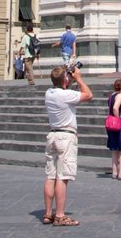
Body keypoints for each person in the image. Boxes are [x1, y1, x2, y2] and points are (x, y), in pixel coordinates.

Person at [41, 66, 93, 227]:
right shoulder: (66, 95)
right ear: (65, 80)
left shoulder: (49, 93)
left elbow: (63, 87)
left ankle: (48, 213)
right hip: (66, 137)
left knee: (51, 176)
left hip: (53, 135)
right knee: (62, 177)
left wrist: (67, 80)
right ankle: (60, 215)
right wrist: (78, 78)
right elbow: (89, 95)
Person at [105, 79, 121, 180]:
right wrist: (118, 118)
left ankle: (114, 172)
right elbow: (115, 108)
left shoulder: (111, 95)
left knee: (114, 148)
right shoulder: (120, 95)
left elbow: (111, 107)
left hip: (110, 122)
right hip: (116, 122)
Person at [20, 22, 38, 86]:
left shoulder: (25, 36)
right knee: (28, 68)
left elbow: (22, 46)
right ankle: (29, 80)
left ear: (27, 30)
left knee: (29, 68)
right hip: (33, 54)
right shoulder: (35, 36)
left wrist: (19, 52)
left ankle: (32, 81)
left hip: (28, 55)